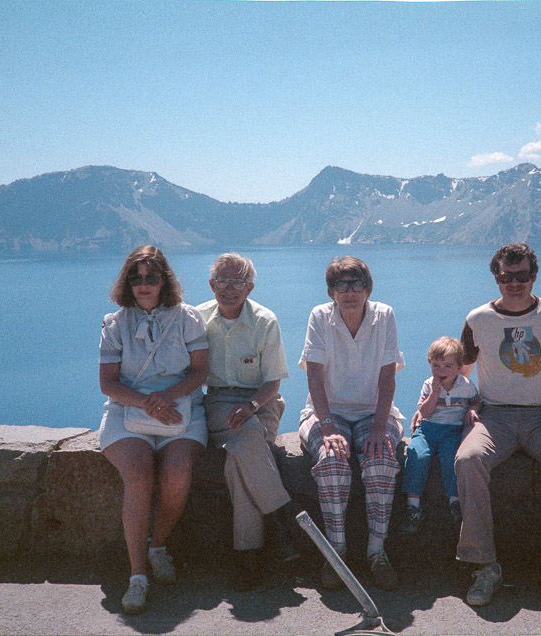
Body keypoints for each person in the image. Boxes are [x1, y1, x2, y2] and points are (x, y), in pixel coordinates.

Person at [454, 243, 541, 609]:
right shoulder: (477, 319)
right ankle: (485, 566)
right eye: (505, 276)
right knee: (467, 460)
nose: (513, 283)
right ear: (496, 277)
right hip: (494, 416)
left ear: (534, 276)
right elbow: (461, 373)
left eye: (521, 276)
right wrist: (435, 406)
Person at [98, 245, 208, 615]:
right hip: (128, 409)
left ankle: (157, 545)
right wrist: (147, 402)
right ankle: (137, 576)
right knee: (140, 476)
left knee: (177, 474)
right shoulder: (115, 324)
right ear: (127, 282)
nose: (144, 285)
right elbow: (109, 384)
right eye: (136, 277)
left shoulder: (188, 318)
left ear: (165, 280)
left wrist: (165, 398)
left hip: (179, 406)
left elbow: (199, 372)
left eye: (152, 277)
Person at [298, 256, 405, 591]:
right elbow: (314, 376)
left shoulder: (383, 315)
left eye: (356, 284)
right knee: (331, 462)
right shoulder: (320, 316)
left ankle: (377, 551)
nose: (349, 292)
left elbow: (388, 376)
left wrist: (379, 427)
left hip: (375, 411)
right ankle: (337, 553)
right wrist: (328, 428)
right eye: (341, 285)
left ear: (367, 288)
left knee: (382, 461)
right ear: (331, 291)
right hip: (327, 411)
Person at [196, 253, 300, 591]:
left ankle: (248, 556)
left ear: (250, 287)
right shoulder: (197, 319)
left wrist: (251, 405)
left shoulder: (265, 321)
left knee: (240, 452)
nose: (229, 288)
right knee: (249, 440)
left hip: (261, 400)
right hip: (218, 400)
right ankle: (279, 520)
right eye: (222, 281)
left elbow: (273, 382)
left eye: (238, 282)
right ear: (212, 284)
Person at [398, 337, 479, 533]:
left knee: (451, 456)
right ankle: (413, 504)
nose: (441, 371)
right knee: (418, 455)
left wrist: (472, 410)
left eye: (448, 366)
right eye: (436, 365)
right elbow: (425, 413)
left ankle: (454, 500)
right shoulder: (428, 385)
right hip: (428, 429)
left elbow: (476, 402)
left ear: (459, 367)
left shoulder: (466, 385)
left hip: (452, 430)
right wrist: (435, 392)